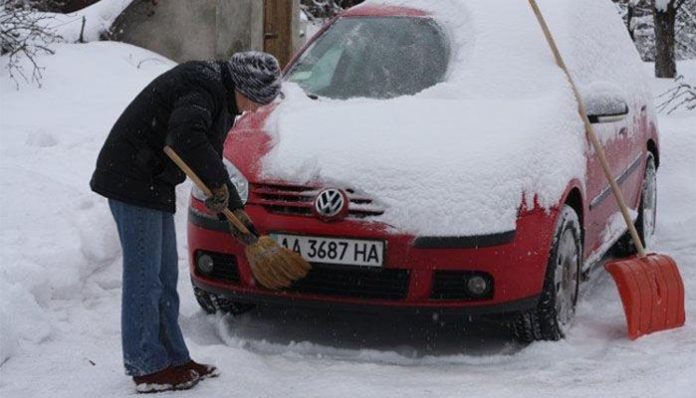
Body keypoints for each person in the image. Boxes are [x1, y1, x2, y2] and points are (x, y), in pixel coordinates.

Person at [90, 51, 282, 393]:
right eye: (254, 100)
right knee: (145, 278)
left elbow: (209, 155)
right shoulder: (202, 87)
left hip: (153, 180)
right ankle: (146, 365)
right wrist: (217, 186)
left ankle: (174, 358)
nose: (254, 109)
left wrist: (235, 210)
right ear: (241, 86)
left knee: (164, 276)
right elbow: (186, 138)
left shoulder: (219, 97)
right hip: (131, 178)